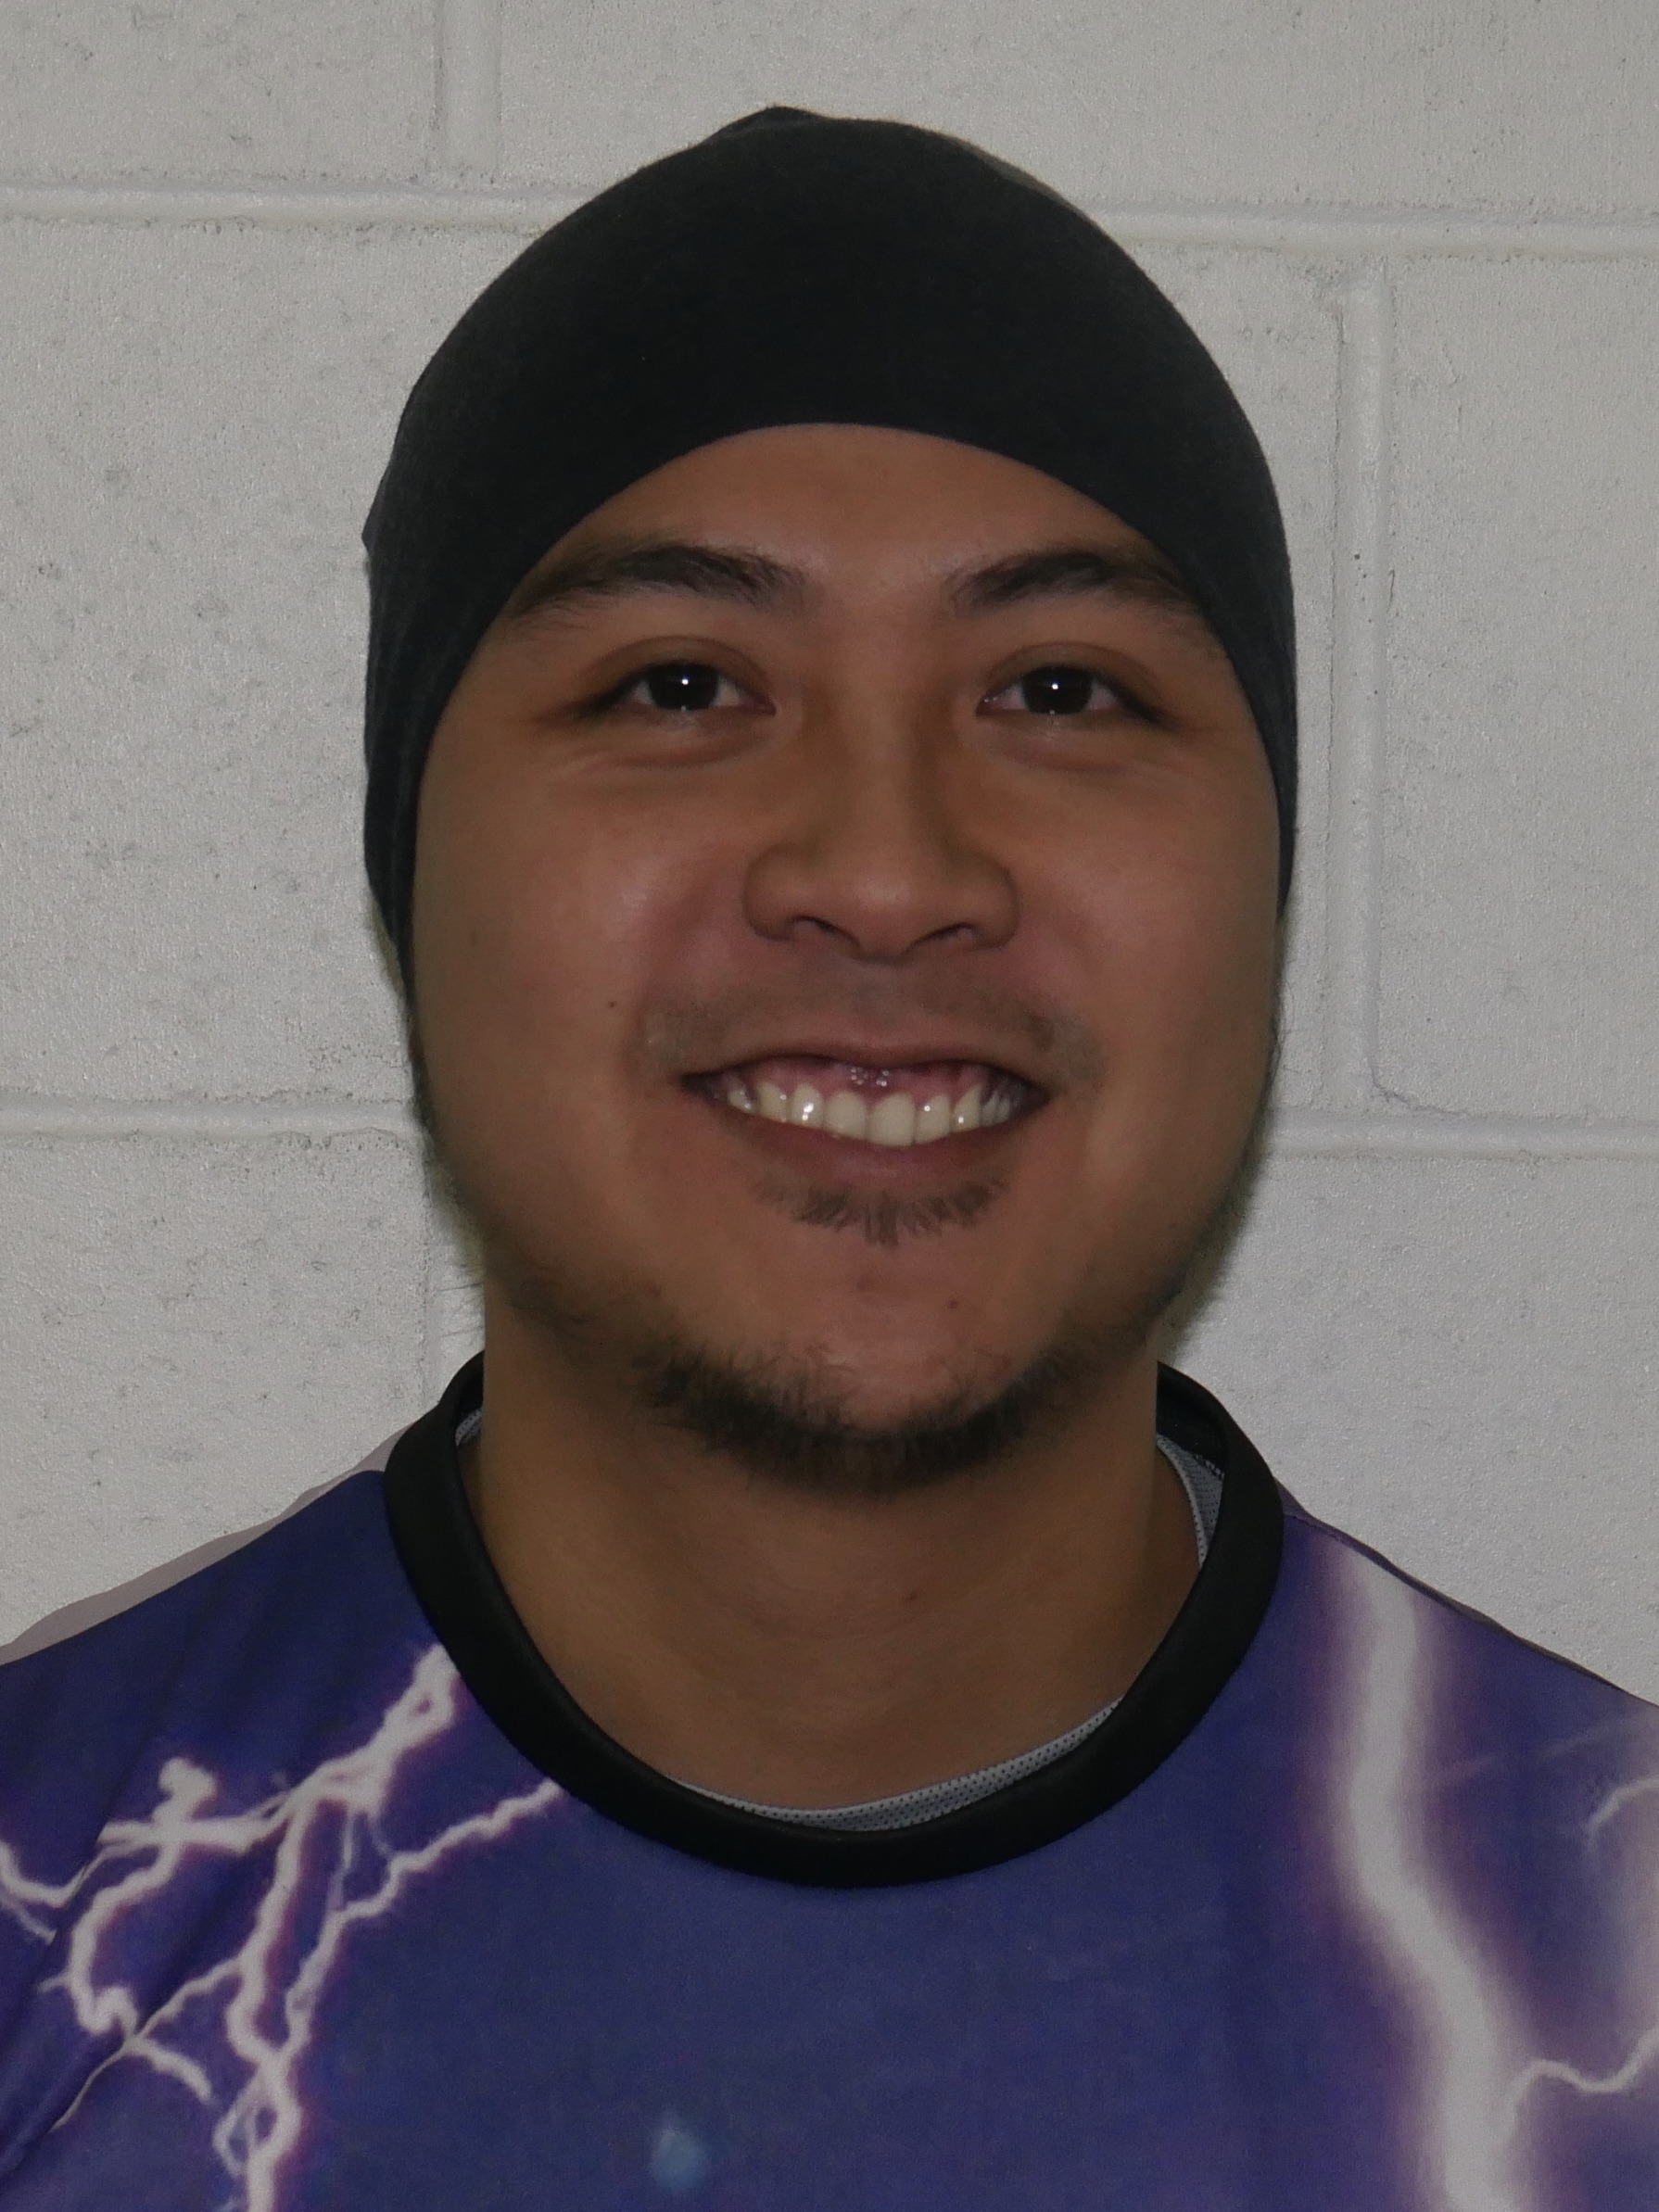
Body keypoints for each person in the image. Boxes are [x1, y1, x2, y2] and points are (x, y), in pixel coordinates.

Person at [0, 105, 1654, 2211]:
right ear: (414, 879)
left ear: (1266, 896)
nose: (885, 872)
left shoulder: (1606, 1969)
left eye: (1059, 690)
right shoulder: (52, 1912)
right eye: (681, 683)